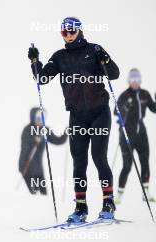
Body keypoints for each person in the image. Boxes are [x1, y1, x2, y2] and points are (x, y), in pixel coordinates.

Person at [28, 17, 120, 222]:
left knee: (99, 157)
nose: (68, 35)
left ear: (79, 30)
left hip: (99, 113)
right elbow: (41, 79)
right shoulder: (59, 57)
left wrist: (106, 59)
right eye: (64, 32)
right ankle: (80, 208)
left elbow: (113, 74)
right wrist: (35, 61)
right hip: (77, 115)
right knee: (79, 161)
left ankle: (108, 203)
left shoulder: (95, 49)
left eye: (71, 31)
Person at [114, 68, 156, 204]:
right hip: (127, 133)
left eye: (137, 80)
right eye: (133, 80)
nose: (135, 82)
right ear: (129, 81)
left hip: (141, 134)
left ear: (140, 80)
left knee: (145, 162)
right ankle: (119, 194)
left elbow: (154, 109)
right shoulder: (125, 95)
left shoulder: (144, 94)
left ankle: (146, 193)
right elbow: (116, 111)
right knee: (127, 165)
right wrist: (125, 106)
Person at [19, 107, 67, 195]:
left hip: (38, 170)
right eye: (38, 118)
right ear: (33, 117)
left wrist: (65, 133)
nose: (40, 121)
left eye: (42, 119)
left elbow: (57, 141)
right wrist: (35, 140)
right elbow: (25, 146)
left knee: (43, 195)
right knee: (34, 195)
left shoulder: (45, 130)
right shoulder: (27, 130)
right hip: (26, 167)